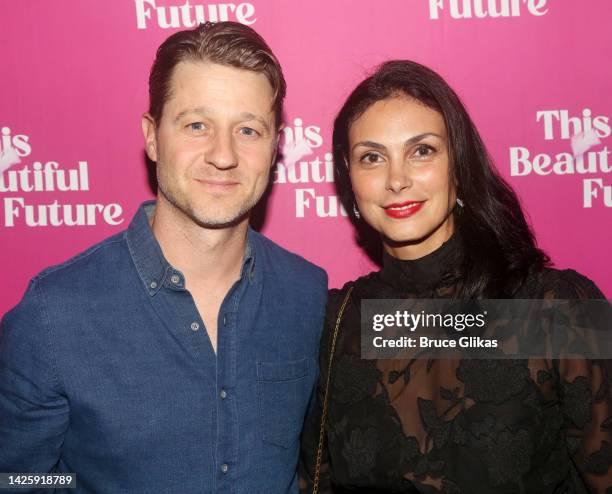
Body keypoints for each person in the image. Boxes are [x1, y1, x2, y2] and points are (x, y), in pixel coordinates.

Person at [0, 22, 327, 494]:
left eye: (248, 129)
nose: (223, 155)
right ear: (153, 137)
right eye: (197, 125)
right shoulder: (53, 315)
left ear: (276, 145)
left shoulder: (308, 294)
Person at [299, 60, 611, 493]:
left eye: (421, 150)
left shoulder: (560, 309)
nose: (396, 180)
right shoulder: (337, 322)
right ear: (350, 183)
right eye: (372, 157)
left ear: (459, 165)